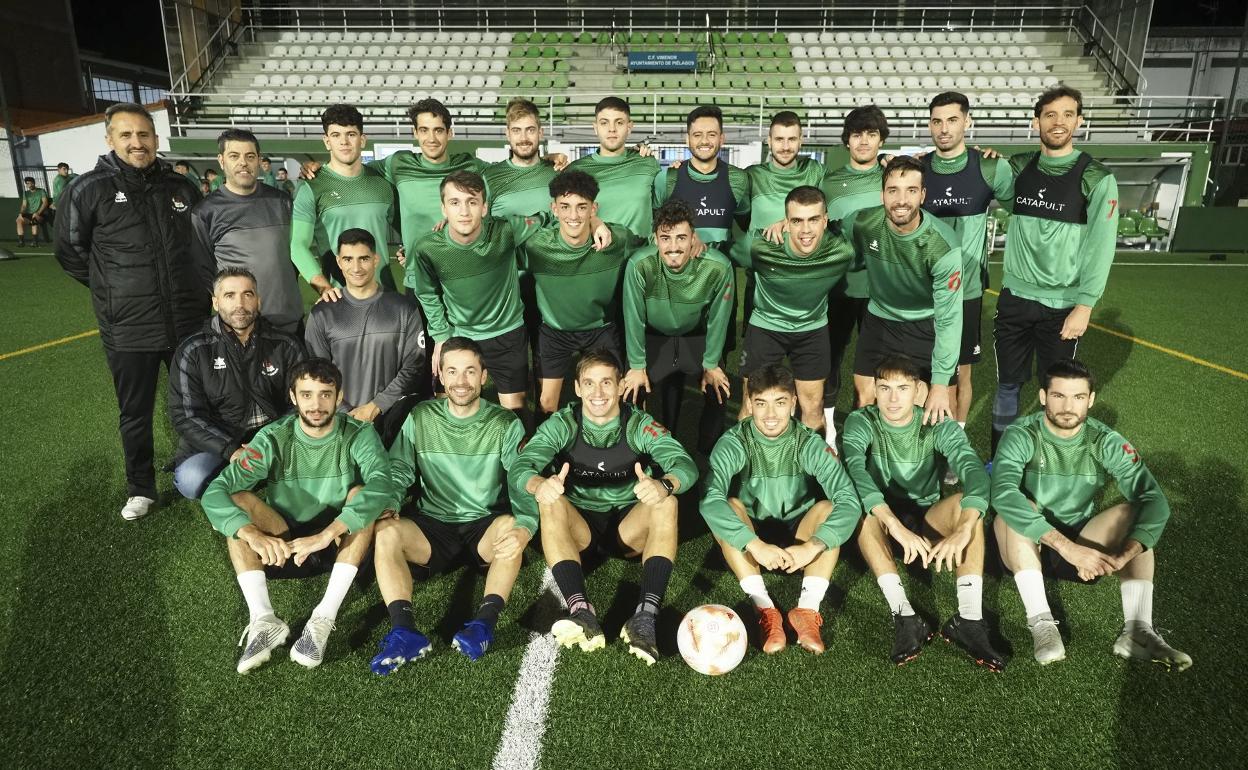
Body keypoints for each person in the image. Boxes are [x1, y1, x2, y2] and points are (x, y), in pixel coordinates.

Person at [55, 102, 211, 521]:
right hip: (129, 326)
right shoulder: (88, 188)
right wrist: (112, 290)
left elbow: (200, 246)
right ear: (110, 139)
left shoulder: (181, 187)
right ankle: (140, 487)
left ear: (156, 140)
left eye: (143, 135)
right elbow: (70, 251)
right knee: (136, 411)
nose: (136, 143)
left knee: (197, 401)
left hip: (186, 319)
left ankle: (194, 468)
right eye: (126, 135)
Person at [992, 359, 1190, 670]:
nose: (1068, 406)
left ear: (1091, 399)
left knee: (1135, 512)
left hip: (1083, 546)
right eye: (1058, 396)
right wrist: (1068, 548)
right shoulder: (1022, 434)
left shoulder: (1104, 440)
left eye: (1078, 397)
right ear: (1043, 396)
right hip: (1023, 546)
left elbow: (1155, 500)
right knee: (1017, 507)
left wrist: (1125, 554)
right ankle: (1042, 622)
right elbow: (1002, 492)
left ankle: (1137, 630)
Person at [201, 358, 397, 672]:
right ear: (293, 397)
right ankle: (263, 618)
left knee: (363, 496)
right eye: (306, 394)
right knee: (237, 501)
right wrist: (250, 533)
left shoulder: (359, 433)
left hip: (338, 544)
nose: (316, 404)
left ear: (338, 395)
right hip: (285, 546)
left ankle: (324, 617)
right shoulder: (272, 437)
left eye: (324, 394)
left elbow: (382, 483)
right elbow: (216, 490)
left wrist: (329, 532)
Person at [510, 349, 698, 665]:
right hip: (579, 528)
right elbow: (521, 466)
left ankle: (645, 616)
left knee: (668, 503)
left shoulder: (639, 425)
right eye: (590, 383)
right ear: (578, 387)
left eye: (607, 383)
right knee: (550, 500)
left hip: (628, 529)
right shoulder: (562, 424)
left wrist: (662, 484)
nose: (598, 393)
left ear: (621, 385)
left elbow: (686, 466)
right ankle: (582, 612)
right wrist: (538, 484)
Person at [370, 338, 533, 673]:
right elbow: (400, 468)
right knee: (386, 531)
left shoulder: (505, 423)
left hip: (483, 523)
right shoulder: (421, 415)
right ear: (441, 376)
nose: (461, 381)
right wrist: (390, 501)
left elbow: (521, 479)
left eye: (470, 371)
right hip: (432, 526)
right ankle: (404, 631)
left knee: (510, 526)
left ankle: (484, 626)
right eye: (453, 371)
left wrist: (526, 525)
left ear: (484, 376)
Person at [408, 170, 611, 419]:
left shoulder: (506, 230)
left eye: (472, 202)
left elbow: (551, 217)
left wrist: (596, 222)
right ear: (443, 208)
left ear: (484, 208)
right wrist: (441, 336)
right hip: (460, 333)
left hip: (506, 333)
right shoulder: (428, 248)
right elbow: (427, 292)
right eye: (455, 203)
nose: (463, 211)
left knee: (515, 415)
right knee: (450, 410)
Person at [842, 355, 1002, 670]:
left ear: (920, 392)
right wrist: (893, 525)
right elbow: (855, 472)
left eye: (903, 388)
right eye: (885, 388)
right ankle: (904, 614)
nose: (892, 398)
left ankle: (969, 620)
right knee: (863, 508)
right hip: (883, 522)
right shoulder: (862, 421)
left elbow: (974, 471)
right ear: (874, 389)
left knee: (965, 507)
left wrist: (965, 528)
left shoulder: (936, 421)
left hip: (927, 516)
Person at [991, 86, 1120, 458]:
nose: (1058, 121)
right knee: (1008, 387)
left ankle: (1048, 459)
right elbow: (976, 173)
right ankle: (1002, 461)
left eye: (1067, 114)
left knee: (1057, 389)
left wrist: (1085, 305)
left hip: (1063, 305)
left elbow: (1100, 248)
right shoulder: (1018, 167)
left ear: (1080, 120)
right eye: (1050, 114)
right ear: (1036, 122)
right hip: (1015, 297)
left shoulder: (1096, 177)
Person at [700, 364, 861, 654]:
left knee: (827, 508)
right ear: (749, 404)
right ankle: (765, 610)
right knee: (728, 505)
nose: (771, 415)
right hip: (751, 532)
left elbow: (849, 501)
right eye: (761, 404)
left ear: (794, 403)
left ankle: (807, 610)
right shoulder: (735, 441)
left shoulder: (808, 442)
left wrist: (814, 546)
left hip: (798, 532)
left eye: (780, 403)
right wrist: (754, 544)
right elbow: (709, 500)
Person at [844, 155, 963, 424]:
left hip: (925, 324)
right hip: (879, 321)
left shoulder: (942, 245)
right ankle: (865, 461)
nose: (901, 200)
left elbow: (949, 319)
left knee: (936, 409)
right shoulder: (863, 223)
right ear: (882, 194)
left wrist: (941, 383)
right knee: (864, 400)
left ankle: (935, 465)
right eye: (893, 191)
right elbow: (826, 235)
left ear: (922, 195)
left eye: (911, 191)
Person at [169, 268, 305, 499]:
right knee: (191, 480)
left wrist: (269, 441)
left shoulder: (285, 344)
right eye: (230, 295)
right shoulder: (193, 350)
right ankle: (248, 475)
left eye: (248, 294)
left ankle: (249, 476)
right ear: (215, 302)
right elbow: (186, 415)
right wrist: (231, 450)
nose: (240, 304)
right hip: (221, 442)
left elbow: (300, 402)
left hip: (271, 437)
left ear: (258, 301)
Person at [922, 92, 1015, 431]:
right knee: (927, 368)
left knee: (961, 371)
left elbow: (1024, 205)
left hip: (967, 289)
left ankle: (955, 439)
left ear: (967, 122)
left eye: (951, 120)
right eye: (936, 121)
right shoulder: (919, 168)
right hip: (924, 289)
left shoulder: (989, 167)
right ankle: (925, 435)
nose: (943, 128)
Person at [518, 170, 640, 418]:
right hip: (555, 331)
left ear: (593, 209)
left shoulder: (616, 240)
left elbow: (655, 246)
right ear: (554, 209)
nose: (573, 216)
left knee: (614, 395)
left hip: (600, 328)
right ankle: (548, 453)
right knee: (546, 403)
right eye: (565, 207)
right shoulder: (536, 246)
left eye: (581, 207)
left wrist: (693, 242)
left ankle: (614, 449)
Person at [621, 198, 734, 454]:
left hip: (694, 338)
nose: (673, 247)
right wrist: (637, 366)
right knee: (630, 391)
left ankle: (709, 453)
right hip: (654, 338)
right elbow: (633, 316)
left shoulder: (717, 265)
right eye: (666, 238)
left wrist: (712, 364)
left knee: (720, 390)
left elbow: (719, 317)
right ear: (655, 239)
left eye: (681, 238)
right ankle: (640, 451)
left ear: (694, 238)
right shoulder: (640, 264)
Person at [743, 185, 854, 438]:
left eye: (813, 220)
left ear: (825, 220)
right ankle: (749, 470)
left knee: (813, 407)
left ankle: (810, 472)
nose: (805, 230)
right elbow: (721, 249)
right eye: (797, 221)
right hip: (766, 326)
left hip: (811, 329)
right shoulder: (761, 245)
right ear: (786, 222)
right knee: (753, 404)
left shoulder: (842, 250)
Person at [305, 228, 429, 447]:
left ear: (375, 259)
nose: (356, 268)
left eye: (363, 258)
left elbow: (414, 365)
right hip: (341, 419)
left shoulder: (403, 308)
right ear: (339, 262)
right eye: (348, 259)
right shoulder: (322, 313)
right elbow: (317, 372)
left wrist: (376, 405)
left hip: (393, 416)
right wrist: (346, 411)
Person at [818, 105, 890, 441]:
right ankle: (830, 432)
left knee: (876, 367)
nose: (864, 141)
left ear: (881, 140)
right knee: (829, 362)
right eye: (857, 134)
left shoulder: (893, 178)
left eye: (871, 134)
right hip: (837, 288)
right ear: (847, 140)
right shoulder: (828, 182)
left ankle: (865, 434)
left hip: (881, 291)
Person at [190, 128, 303, 334]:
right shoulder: (205, 211)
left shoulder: (282, 202)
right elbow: (205, 271)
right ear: (222, 160)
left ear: (258, 160)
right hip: (241, 328)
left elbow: (293, 258)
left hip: (289, 321)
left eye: (250, 156)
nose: (243, 162)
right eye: (234, 156)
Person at [291, 103, 400, 298]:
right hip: (339, 299)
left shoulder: (382, 182)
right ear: (327, 142)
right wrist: (325, 288)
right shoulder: (311, 186)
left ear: (362, 139)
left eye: (350, 134)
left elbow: (407, 229)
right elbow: (297, 245)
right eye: (336, 135)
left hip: (385, 295)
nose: (344, 142)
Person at [652, 104, 751, 253]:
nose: (704, 141)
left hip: (720, 272)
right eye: (697, 135)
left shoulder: (738, 178)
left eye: (711, 134)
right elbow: (654, 227)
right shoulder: (666, 178)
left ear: (721, 138)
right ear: (688, 139)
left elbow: (745, 225)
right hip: (677, 272)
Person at [567, 97, 660, 235]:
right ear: (595, 128)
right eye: (604, 123)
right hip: (596, 254)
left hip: (640, 255)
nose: (612, 129)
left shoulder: (647, 162)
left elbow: (664, 210)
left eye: (619, 122)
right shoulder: (575, 170)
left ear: (629, 127)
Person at [482, 98, 559, 218]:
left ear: (540, 133)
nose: (524, 138)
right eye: (516, 131)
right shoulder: (489, 177)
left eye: (530, 130)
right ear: (507, 134)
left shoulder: (557, 173)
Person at [16, 177, 50, 246]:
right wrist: (21, 213)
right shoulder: (26, 193)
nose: (29, 185)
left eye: (31, 183)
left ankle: (35, 242)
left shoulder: (41, 191)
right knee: (18, 220)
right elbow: (24, 205)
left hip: (40, 214)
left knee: (34, 220)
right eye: (27, 183)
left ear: (34, 183)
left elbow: (45, 203)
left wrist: (37, 213)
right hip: (29, 213)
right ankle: (21, 242)